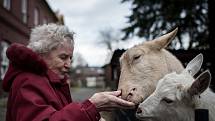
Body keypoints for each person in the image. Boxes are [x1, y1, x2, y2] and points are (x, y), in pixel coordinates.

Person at [2, 23, 135, 121]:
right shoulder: (28, 81)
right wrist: (90, 108)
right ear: (41, 53)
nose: (69, 65)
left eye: (71, 58)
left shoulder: (51, 81)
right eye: (63, 57)